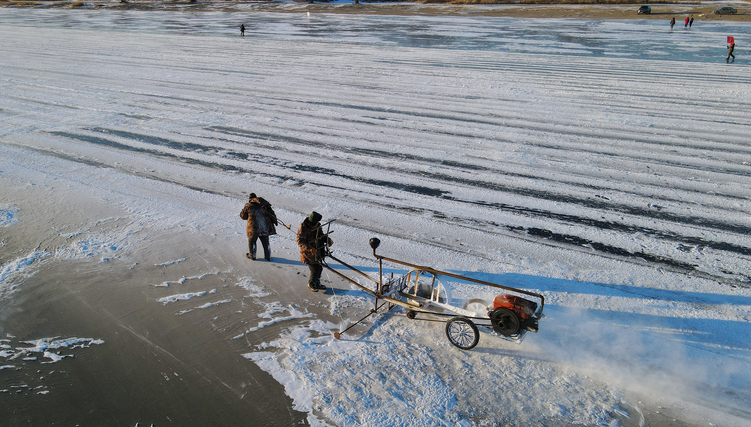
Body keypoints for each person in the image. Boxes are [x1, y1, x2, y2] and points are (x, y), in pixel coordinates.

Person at [296, 211, 332, 292]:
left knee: (319, 267)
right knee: (315, 269)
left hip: (318, 250)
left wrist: (327, 240)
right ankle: (311, 283)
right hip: (308, 253)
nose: (318, 223)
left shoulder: (317, 225)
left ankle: (317, 283)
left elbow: (321, 235)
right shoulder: (303, 227)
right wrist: (309, 248)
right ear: (312, 222)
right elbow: (300, 241)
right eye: (316, 222)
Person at [240, 193, 277, 261]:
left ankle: (252, 255)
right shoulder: (265, 205)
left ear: (250, 199)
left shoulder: (248, 205)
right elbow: (272, 214)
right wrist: (275, 221)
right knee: (265, 242)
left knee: (252, 241)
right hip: (264, 226)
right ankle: (268, 256)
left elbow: (243, 216)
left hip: (254, 227)